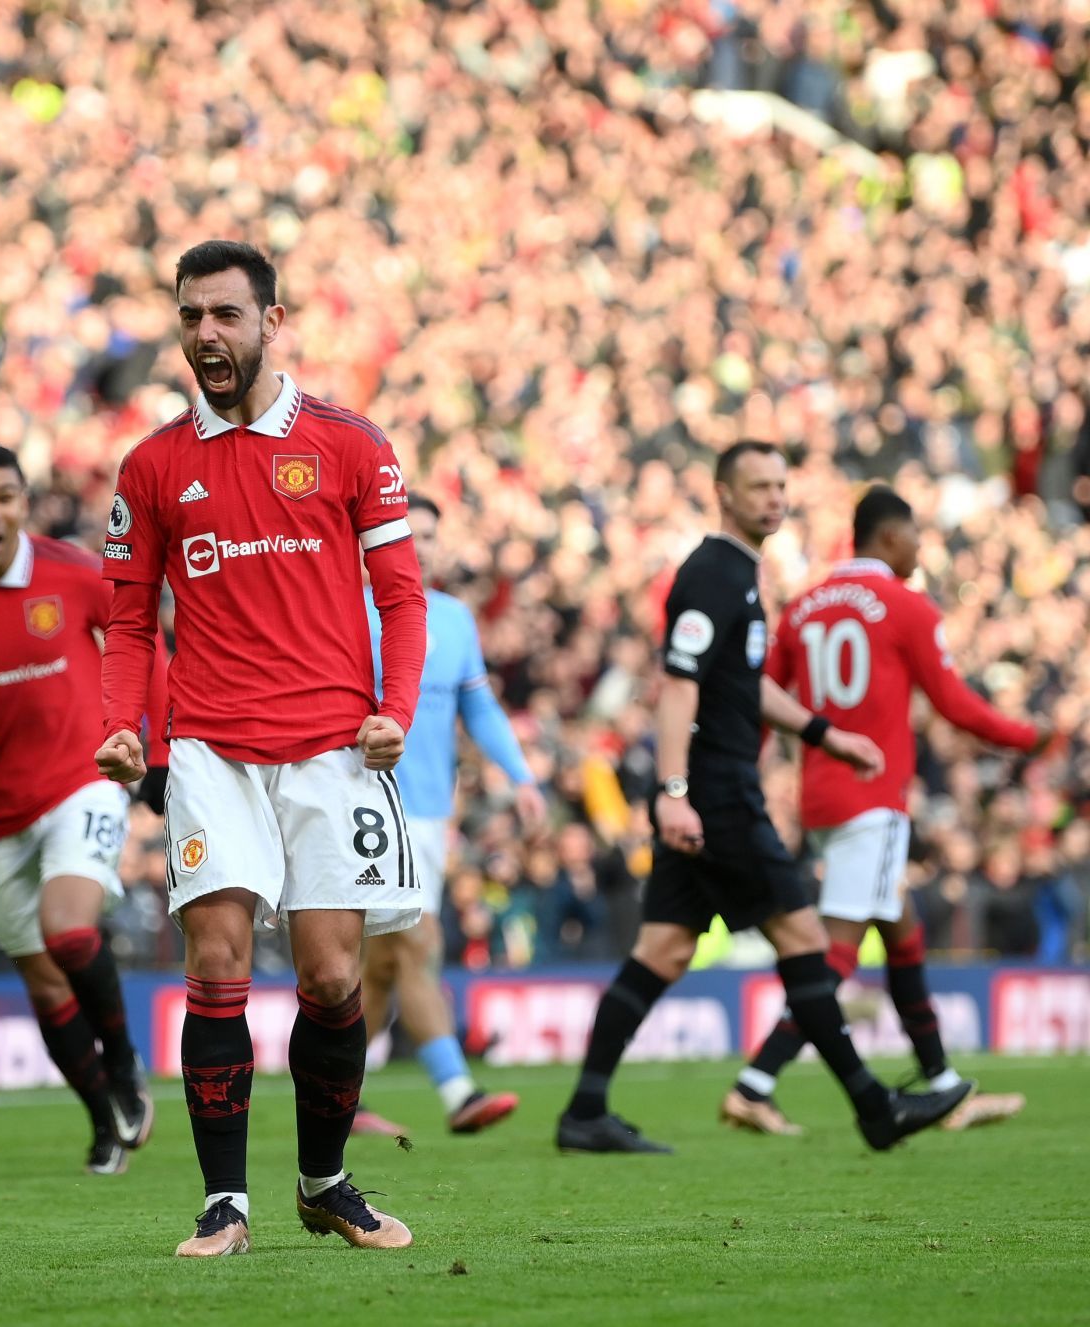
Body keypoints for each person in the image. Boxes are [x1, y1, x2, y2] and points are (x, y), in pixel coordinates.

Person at [97, 240, 428, 1256]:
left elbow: (402, 596)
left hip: (333, 747)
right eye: (191, 315)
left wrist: (396, 709)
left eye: (225, 315)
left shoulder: (350, 444)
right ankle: (223, 1205)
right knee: (217, 960)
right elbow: (128, 619)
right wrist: (125, 722)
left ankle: (323, 1181)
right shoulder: (152, 465)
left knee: (332, 978)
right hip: (210, 749)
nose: (205, 334)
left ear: (271, 322)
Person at [553, 443, 974, 1155]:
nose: (774, 498)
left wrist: (822, 732)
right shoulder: (713, 573)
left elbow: (742, 684)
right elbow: (679, 685)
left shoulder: (744, 575)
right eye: (758, 487)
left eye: (781, 486)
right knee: (807, 938)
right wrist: (674, 792)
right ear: (724, 493)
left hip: (712, 790)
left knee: (664, 946)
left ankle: (585, 1110)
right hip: (715, 793)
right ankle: (874, 1106)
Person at [723, 486, 1042, 1135]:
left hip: (821, 795)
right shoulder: (906, 606)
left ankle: (946, 1084)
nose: (920, 547)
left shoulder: (805, 605)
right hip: (872, 795)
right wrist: (1030, 737)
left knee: (901, 931)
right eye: (915, 536)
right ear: (889, 538)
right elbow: (954, 701)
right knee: (836, 952)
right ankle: (755, 1084)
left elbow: (764, 697)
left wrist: (745, 770)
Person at [0, 439, 168, 1175]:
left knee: (69, 932)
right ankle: (103, 1121)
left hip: (83, 778)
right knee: (45, 981)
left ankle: (124, 1067)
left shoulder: (73, 572)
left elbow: (140, 641)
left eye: (4, 496)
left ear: (23, 502)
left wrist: (158, 750)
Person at [356, 493, 546, 1139]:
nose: (422, 546)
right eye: (408, 534)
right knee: (415, 944)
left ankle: (338, 1100)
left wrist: (521, 776)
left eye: (430, 535)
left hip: (430, 816)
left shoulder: (455, 619)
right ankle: (459, 1089)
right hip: (364, 811)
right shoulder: (347, 612)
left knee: (381, 963)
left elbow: (481, 709)